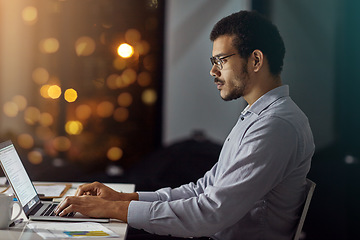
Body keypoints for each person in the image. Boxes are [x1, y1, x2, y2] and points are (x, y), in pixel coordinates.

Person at [55, 10, 315, 240]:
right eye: (213, 62)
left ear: (255, 60)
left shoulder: (275, 126)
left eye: (221, 60)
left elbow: (210, 213)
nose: (213, 71)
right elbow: (202, 189)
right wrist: (122, 199)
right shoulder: (258, 116)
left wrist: (111, 209)